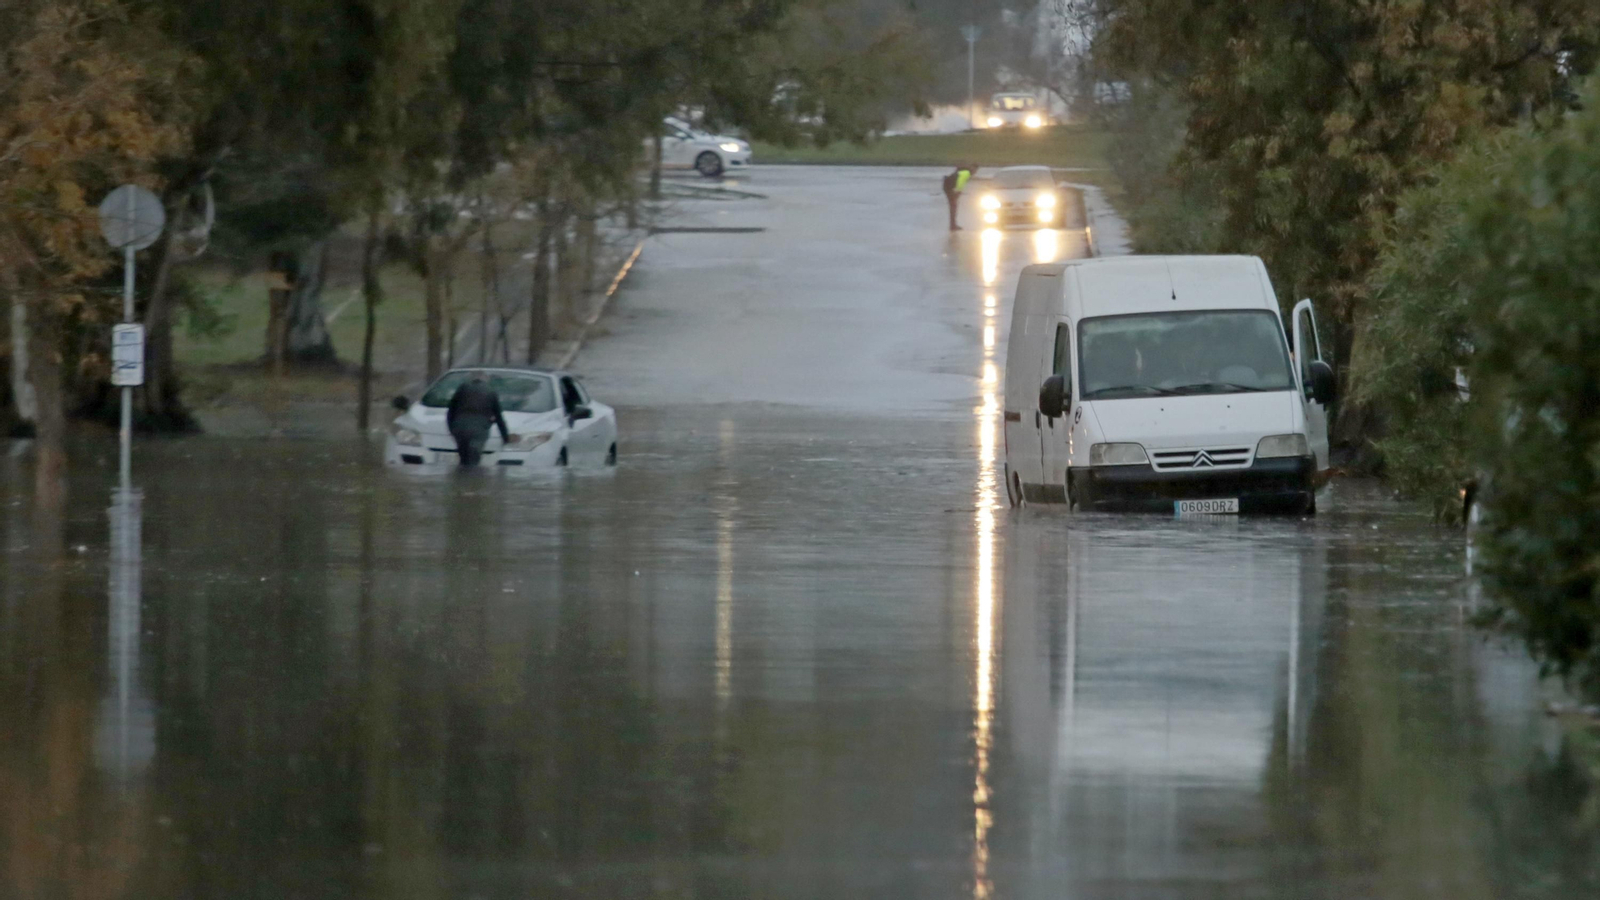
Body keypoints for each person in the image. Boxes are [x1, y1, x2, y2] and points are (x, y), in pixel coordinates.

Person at [446, 372, 512, 467]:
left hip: (460, 427)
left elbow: (450, 411)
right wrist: (505, 438)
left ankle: (461, 478)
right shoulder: (491, 391)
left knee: (463, 458)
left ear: (472, 379)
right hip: (479, 430)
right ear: (486, 379)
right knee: (473, 460)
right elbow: (499, 418)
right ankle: (473, 480)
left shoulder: (462, 388)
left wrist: (451, 429)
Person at [942, 163, 977, 231]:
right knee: (953, 206)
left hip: (948, 186)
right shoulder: (966, 173)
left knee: (953, 206)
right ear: (974, 169)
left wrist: (958, 193)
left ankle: (953, 224)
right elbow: (960, 182)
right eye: (975, 170)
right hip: (949, 188)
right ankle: (953, 225)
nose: (975, 172)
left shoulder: (964, 172)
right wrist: (958, 192)